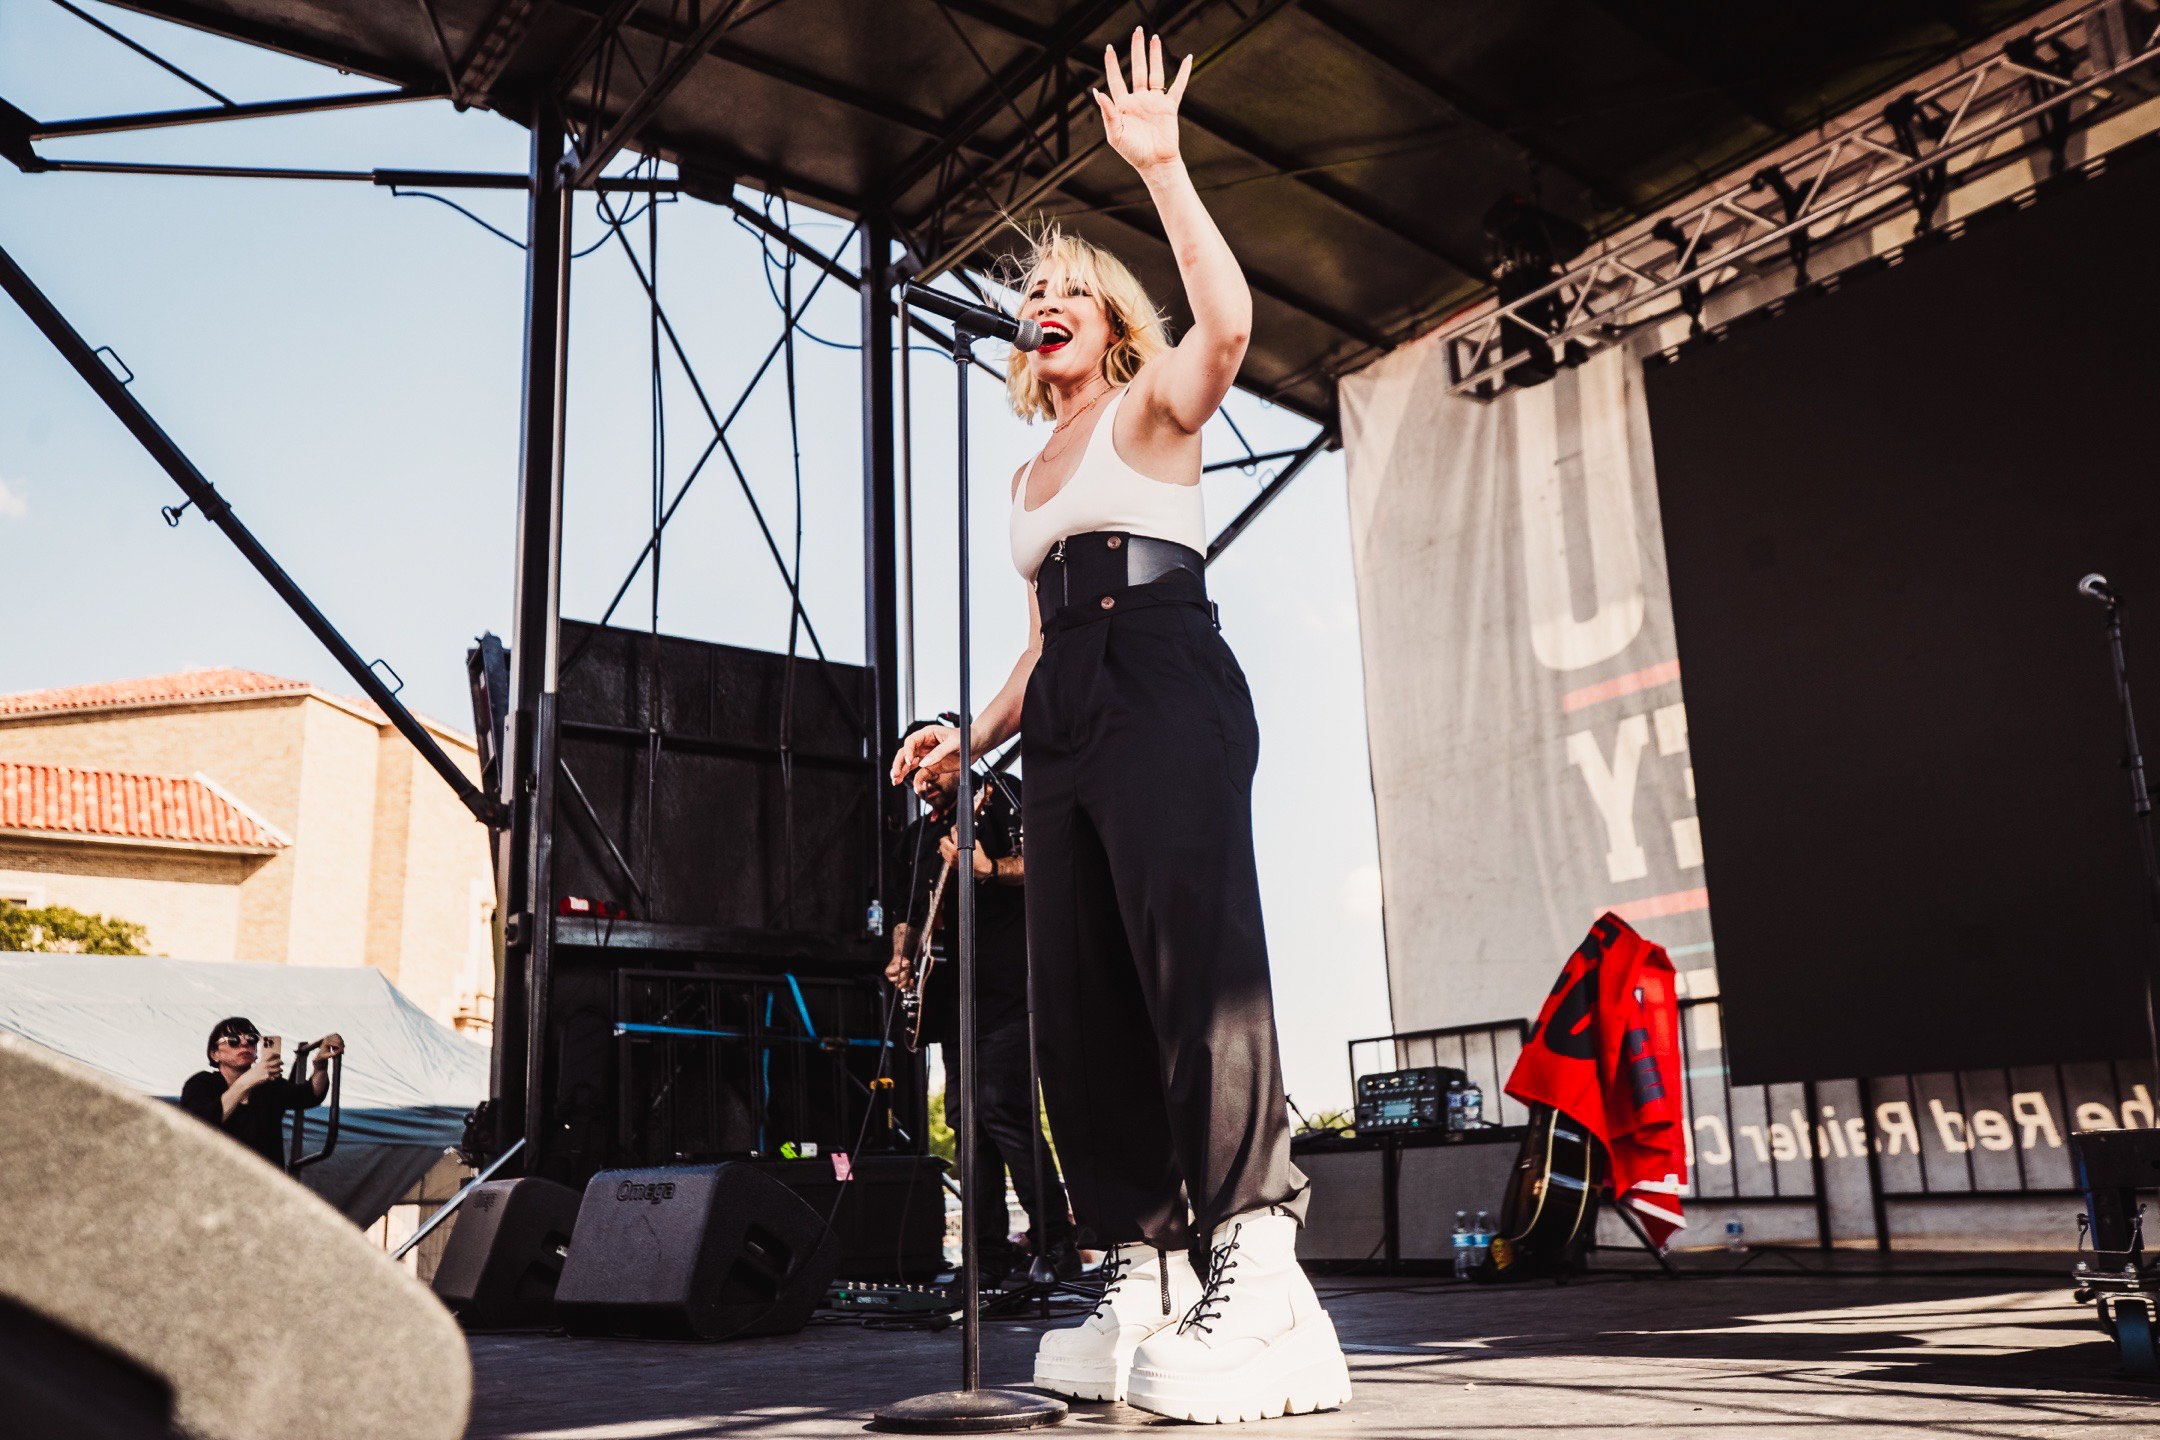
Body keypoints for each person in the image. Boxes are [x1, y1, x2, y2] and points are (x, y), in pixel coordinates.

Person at [888, 28, 1349, 1424]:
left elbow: (1231, 327)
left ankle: (1262, 1268)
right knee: (1075, 1003)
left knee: (1191, 970)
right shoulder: (1029, 473)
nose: (1044, 301)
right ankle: (1141, 1267)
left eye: (1068, 290)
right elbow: (1038, 644)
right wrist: (971, 734)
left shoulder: (1155, 410)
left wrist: (1159, 168)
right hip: (1073, 708)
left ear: (1110, 324)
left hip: (1163, 679)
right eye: (1030, 292)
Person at [886, 721, 1078, 1285]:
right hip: (949, 1001)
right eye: (914, 776)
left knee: (1005, 1112)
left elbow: (1045, 860)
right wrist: (902, 955)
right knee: (966, 1125)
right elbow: (905, 913)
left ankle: (1057, 1244)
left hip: (1007, 987)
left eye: (931, 767)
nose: (923, 782)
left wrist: (990, 869)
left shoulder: (999, 796)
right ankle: (988, 1257)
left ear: (955, 754)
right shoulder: (915, 839)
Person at [179, 1017, 345, 1170]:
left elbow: (309, 1095)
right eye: (233, 1040)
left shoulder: (269, 1085)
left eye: (251, 1039)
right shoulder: (201, 1083)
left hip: (266, 1186)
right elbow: (200, 1123)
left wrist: (320, 1066)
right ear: (215, 1055)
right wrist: (247, 1081)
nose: (244, 1043)